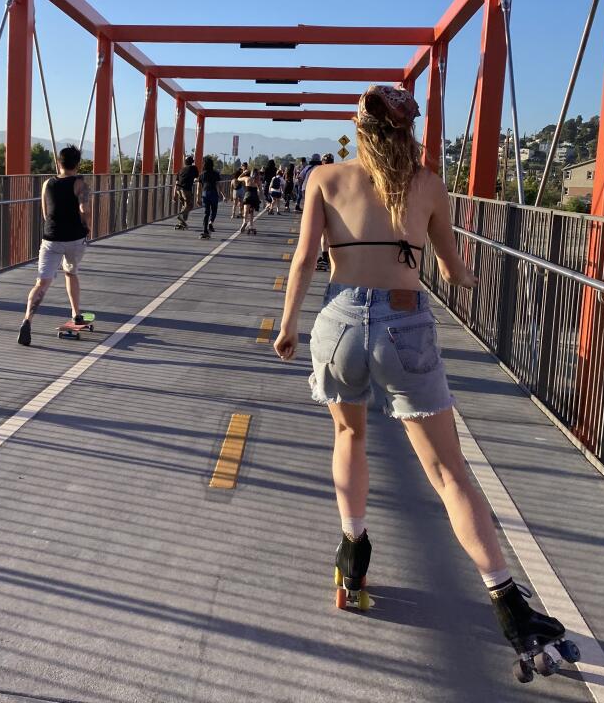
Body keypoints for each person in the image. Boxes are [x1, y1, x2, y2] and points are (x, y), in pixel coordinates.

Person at [273, 85, 571, 670]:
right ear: (408, 130)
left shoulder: (324, 179)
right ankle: (509, 604)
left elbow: (306, 258)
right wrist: (473, 279)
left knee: (348, 436)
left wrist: (287, 327)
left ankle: (353, 549)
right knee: (445, 470)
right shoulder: (428, 184)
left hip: (337, 323)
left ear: (359, 129)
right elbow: (454, 270)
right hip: (404, 323)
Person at [18, 145, 91, 346]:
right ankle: (76, 313)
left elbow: (45, 213)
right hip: (74, 239)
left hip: (51, 238)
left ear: (58, 163)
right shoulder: (80, 185)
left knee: (41, 283)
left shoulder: (47, 183)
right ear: (77, 164)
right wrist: (87, 227)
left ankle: (27, 321)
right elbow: (84, 209)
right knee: (71, 273)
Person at [196, 156, 226, 239]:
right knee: (214, 210)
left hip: (205, 193)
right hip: (213, 193)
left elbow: (199, 188)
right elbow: (220, 185)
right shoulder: (216, 173)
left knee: (206, 212)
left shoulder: (202, 174)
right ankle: (211, 222)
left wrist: (197, 198)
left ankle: (205, 230)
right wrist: (224, 195)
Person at [175, 155, 200, 230]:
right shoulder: (193, 168)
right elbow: (196, 178)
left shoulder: (181, 170)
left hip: (178, 190)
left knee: (184, 206)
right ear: (192, 162)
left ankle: (182, 223)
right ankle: (181, 215)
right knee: (190, 205)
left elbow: (176, 182)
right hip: (186, 189)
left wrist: (174, 195)